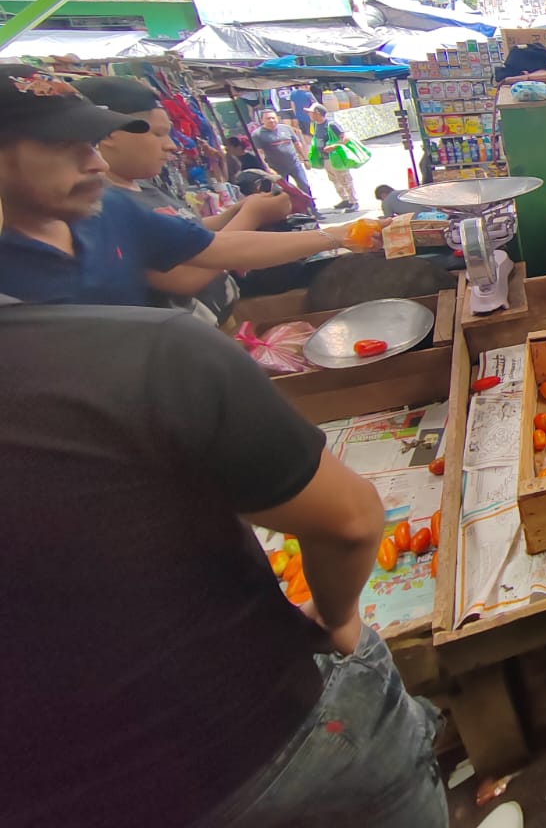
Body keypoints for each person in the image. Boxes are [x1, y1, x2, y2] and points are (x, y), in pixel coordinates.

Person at [3, 187, 445, 825]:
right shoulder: (139, 351)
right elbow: (350, 520)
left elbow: (198, 255)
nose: (93, 159)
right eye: (68, 140)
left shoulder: (120, 250)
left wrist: (329, 236)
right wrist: (339, 615)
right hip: (262, 729)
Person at [0, 65, 380, 307]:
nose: (96, 163)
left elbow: (213, 247)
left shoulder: (109, 209)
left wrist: (340, 235)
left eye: (92, 145)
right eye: (65, 146)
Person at [76, 76, 291, 322]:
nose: (172, 146)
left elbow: (183, 232)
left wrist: (233, 213)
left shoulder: (142, 186)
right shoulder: (102, 203)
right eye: (158, 134)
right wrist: (252, 215)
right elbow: (185, 276)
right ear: (108, 133)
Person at [253, 108, 317, 211]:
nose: (272, 120)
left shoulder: (286, 128)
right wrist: (267, 168)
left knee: (304, 186)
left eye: (273, 118)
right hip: (276, 168)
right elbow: (259, 153)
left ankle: (312, 210)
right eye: (268, 118)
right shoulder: (257, 134)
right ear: (262, 121)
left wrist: (305, 160)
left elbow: (297, 144)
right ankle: (293, 212)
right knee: (283, 191)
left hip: (294, 164)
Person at [308, 103, 359, 213]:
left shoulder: (331, 125)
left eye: (311, 112)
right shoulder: (316, 125)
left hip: (336, 158)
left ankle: (353, 201)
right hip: (325, 158)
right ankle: (345, 199)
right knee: (334, 179)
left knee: (344, 179)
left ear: (317, 113)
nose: (309, 114)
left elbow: (345, 139)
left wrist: (334, 146)